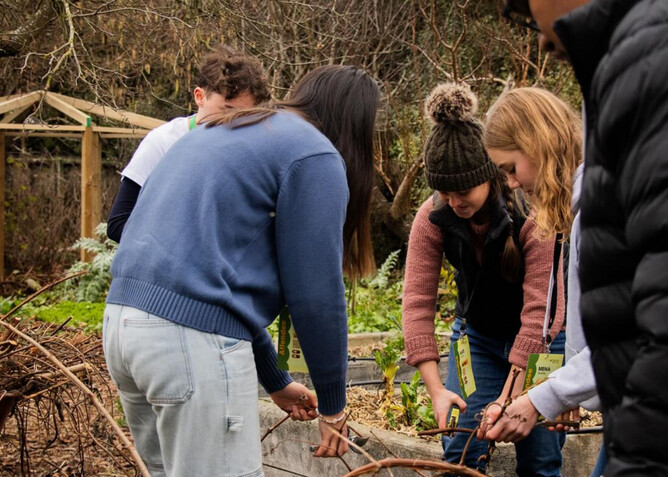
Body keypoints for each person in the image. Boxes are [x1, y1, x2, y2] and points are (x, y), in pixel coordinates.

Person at [102, 64, 380, 476]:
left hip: (122, 328)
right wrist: (334, 405)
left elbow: (209, 280)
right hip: (186, 348)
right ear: (356, 124)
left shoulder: (221, 130)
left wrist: (275, 380)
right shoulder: (313, 153)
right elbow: (316, 295)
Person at [501, 1, 668, 475]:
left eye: (510, 169)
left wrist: (544, 393)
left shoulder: (646, 62)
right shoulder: (618, 70)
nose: (535, 34)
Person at [402, 82, 566, 476]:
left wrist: (510, 398)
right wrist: (436, 391)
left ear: (491, 175)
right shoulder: (432, 218)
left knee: (539, 455)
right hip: (477, 336)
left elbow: (541, 313)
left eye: (464, 190)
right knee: (461, 446)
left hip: (541, 339)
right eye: (444, 191)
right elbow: (416, 304)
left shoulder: (532, 214)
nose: (454, 201)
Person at [477, 87, 607, 475]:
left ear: (539, 144)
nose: (512, 185)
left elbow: (622, 342)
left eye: (511, 169)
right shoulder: (576, 215)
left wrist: (541, 399)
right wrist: (570, 390)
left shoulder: (602, 214)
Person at [106, 44, 271, 243]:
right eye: (227, 109)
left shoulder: (253, 151)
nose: (234, 120)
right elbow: (117, 224)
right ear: (199, 97)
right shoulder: (163, 141)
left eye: (244, 114)